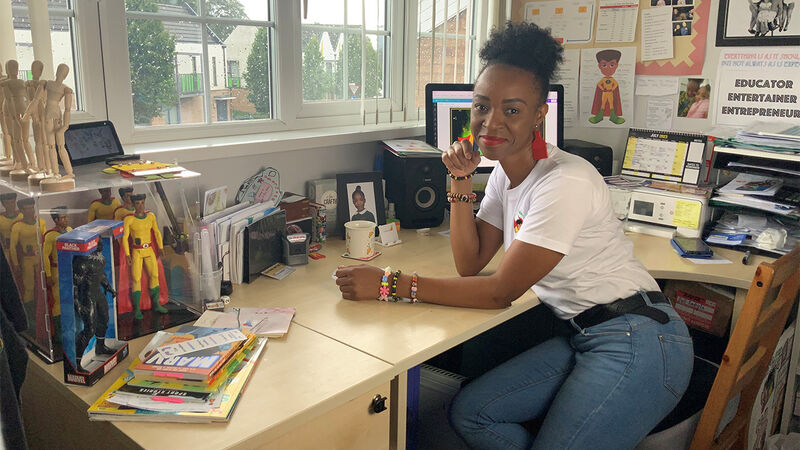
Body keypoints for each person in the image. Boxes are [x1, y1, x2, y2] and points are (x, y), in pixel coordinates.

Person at [334, 22, 693, 448]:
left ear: (540, 114)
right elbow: (471, 263)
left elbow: (497, 292)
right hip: (584, 333)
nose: (491, 122)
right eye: (482, 106)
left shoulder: (564, 182)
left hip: (639, 340)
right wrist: (461, 180)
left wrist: (390, 284)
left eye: (512, 110)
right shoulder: (506, 174)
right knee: (472, 414)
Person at [122, 193, 168, 319]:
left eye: (142, 203)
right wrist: (127, 254)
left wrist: (161, 247)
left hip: (149, 250)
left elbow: (157, 232)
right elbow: (125, 238)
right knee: (136, 278)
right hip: (137, 251)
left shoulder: (151, 216)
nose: (141, 206)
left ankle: (156, 303)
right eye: (137, 203)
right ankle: (137, 309)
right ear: (133, 204)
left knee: (154, 275)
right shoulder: (129, 219)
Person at [588, 49, 625, 125]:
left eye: (612, 65)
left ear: (616, 66)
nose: (608, 68)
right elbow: (599, 85)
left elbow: (615, 85)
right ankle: (599, 115)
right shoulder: (603, 80)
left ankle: (613, 116)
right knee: (603, 103)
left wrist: (612, 89)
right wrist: (603, 89)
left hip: (610, 93)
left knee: (611, 104)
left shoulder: (613, 80)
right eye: (604, 65)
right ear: (599, 66)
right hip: (604, 93)